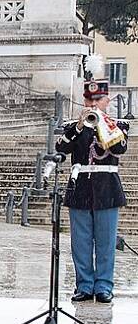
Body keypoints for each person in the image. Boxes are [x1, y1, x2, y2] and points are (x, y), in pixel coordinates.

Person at [57, 79, 127, 304]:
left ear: (107, 100)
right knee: (81, 242)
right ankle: (84, 285)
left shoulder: (117, 125)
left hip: (107, 189)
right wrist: (79, 127)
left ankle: (104, 286)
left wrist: (102, 123)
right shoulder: (74, 125)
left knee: (106, 242)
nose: (94, 103)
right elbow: (61, 147)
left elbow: (119, 148)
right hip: (80, 189)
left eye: (98, 99)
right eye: (89, 99)